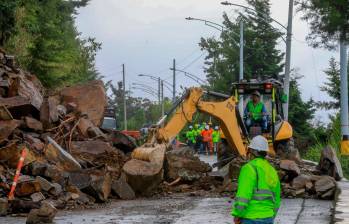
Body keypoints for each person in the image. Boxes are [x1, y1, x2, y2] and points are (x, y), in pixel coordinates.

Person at [232, 135, 280, 224]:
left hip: (250, 218)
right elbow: (277, 199)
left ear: (251, 151)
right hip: (268, 217)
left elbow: (243, 197)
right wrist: (272, 215)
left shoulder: (248, 168)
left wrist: (237, 214)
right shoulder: (272, 170)